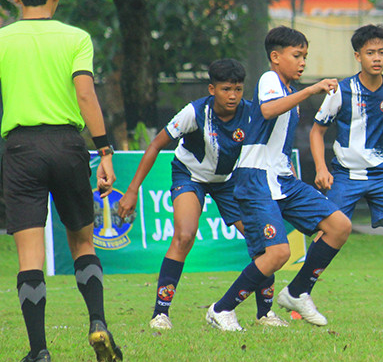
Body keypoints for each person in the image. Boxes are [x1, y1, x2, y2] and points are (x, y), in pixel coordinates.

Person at [0, 0, 122, 362]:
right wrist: (104, 150)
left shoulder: (3, 39)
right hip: (68, 145)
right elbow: (86, 96)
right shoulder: (76, 38)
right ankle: (98, 322)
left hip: (20, 149)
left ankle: (39, 351)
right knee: (83, 241)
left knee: (30, 255)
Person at [116, 59, 286, 330]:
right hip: (190, 176)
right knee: (184, 236)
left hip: (229, 181)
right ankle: (161, 314)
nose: (233, 96)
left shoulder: (252, 113)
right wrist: (132, 190)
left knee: (261, 242)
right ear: (212, 89)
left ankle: (265, 314)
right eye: (226, 89)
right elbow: (156, 145)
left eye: (239, 89)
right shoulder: (194, 112)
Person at [206, 26, 353, 331]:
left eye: (305, 56)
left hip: (283, 179)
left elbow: (278, 140)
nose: (302, 62)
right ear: (275, 57)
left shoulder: (287, 89)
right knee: (278, 252)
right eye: (296, 55)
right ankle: (221, 309)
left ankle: (297, 292)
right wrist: (312, 89)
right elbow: (268, 109)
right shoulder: (270, 80)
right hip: (256, 178)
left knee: (339, 226)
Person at [310, 25, 383, 320]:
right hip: (345, 174)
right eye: (370, 53)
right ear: (358, 56)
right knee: (328, 232)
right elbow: (317, 131)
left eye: (382, 52)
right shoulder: (341, 90)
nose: (377, 58)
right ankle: (300, 295)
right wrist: (322, 168)